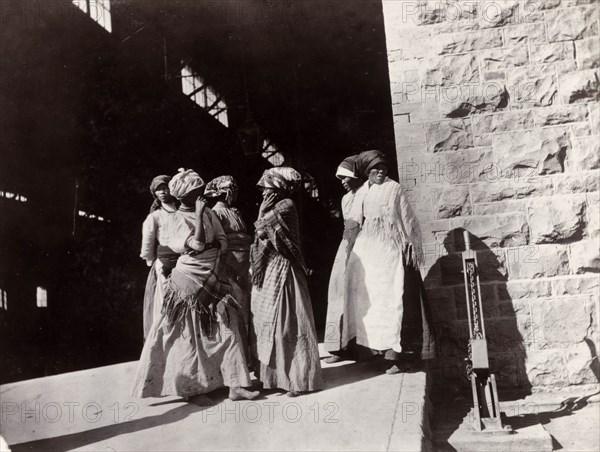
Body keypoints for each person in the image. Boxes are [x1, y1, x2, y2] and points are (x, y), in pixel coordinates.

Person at [132, 169, 259, 401]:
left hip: (212, 274)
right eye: (196, 191)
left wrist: (210, 232)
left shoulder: (210, 212)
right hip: (188, 279)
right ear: (183, 195)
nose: (201, 194)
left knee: (228, 324)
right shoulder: (172, 220)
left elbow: (221, 240)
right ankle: (194, 390)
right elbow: (197, 244)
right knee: (188, 336)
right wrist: (199, 216)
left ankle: (236, 384)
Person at [345, 150, 424, 374]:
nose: (380, 172)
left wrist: (410, 244)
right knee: (369, 300)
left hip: (389, 248)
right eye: (375, 169)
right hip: (368, 248)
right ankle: (372, 351)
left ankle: (395, 356)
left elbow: (407, 218)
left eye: (383, 169)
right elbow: (353, 222)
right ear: (367, 173)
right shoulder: (361, 193)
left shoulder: (394, 188)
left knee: (392, 298)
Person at [250, 167, 323, 397]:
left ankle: (299, 379)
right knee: (268, 326)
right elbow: (259, 235)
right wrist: (262, 214)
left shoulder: (286, 206)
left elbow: (263, 231)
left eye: (267, 189)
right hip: (269, 270)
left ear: (278, 190)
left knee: (289, 326)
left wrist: (262, 213)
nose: (263, 194)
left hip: (285, 269)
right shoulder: (271, 209)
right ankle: (273, 378)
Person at [324, 156, 366, 363]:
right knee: (338, 292)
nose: (342, 181)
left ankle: (363, 347)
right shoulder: (345, 198)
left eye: (345, 176)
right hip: (347, 245)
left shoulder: (367, 192)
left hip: (364, 244)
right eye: (340, 177)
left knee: (362, 294)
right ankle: (338, 346)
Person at [204, 176, 252, 335]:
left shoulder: (233, 212)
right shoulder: (215, 213)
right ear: (226, 193)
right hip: (229, 262)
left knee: (245, 298)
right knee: (234, 298)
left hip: (244, 261)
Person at [139, 175, 179, 339]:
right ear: (154, 193)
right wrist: (151, 261)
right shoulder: (155, 216)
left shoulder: (182, 211)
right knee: (165, 302)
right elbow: (148, 243)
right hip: (164, 264)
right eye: (158, 189)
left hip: (185, 261)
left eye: (165, 187)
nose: (162, 192)